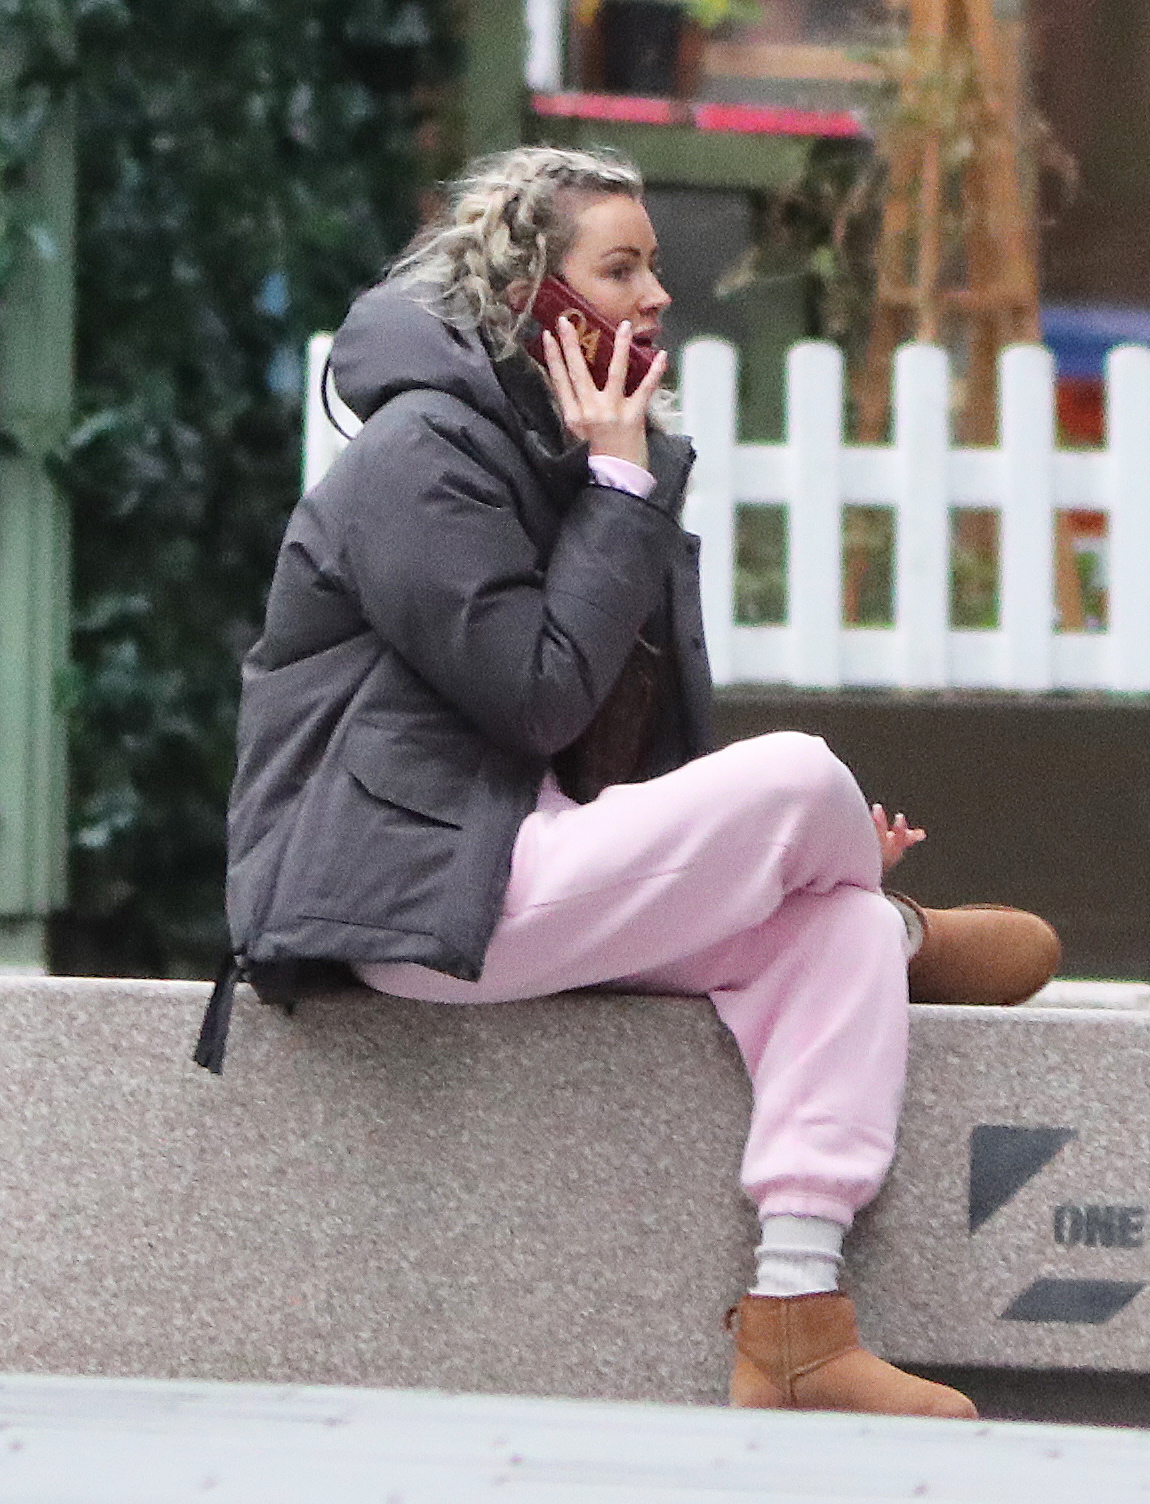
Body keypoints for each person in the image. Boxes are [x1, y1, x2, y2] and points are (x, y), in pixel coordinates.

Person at [206, 146, 1060, 1418]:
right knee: (796, 777)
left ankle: (795, 1324)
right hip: (417, 895)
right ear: (529, 295)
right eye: (621, 267)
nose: (657, 294)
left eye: (653, 264)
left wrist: (747, 877)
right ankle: (902, 924)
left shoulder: (576, 453)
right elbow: (535, 692)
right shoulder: (416, 458)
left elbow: (619, 753)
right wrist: (619, 488)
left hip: (529, 863)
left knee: (819, 936)